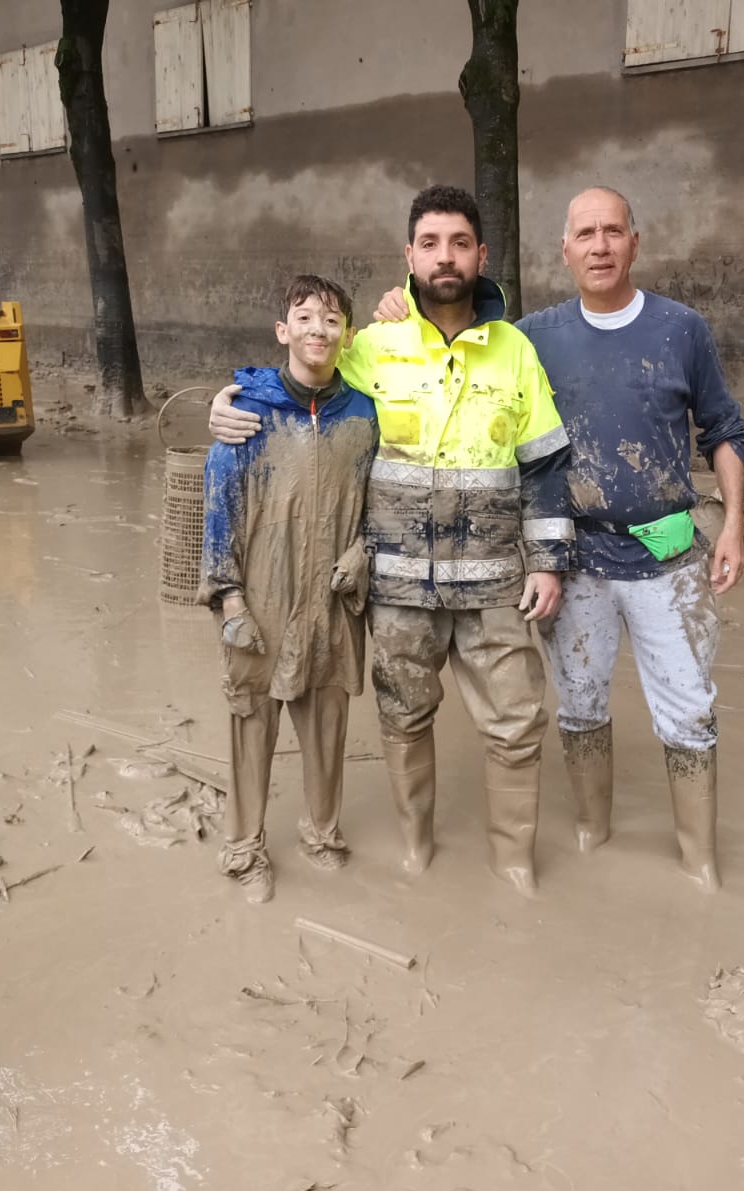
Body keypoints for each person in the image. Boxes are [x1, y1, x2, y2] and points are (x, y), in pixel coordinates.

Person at [374, 187, 744, 892]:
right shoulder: (532, 337)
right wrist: (395, 305)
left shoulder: (681, 330)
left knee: (690, 707)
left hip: (668, 551)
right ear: (565, 251)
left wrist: (733, 522)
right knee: (578, 703)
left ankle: (699, 858)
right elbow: (450, 352)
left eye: (613, 232)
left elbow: (724, 428)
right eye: (586, 234)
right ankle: (590, 834)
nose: (600, 246)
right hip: (574, 560)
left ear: (635, 243)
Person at [211, 185, 574, 897]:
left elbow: (548, 463)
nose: (446, 257)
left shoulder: (515, 351)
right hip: (398, 588)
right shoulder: (370, 347)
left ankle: (515, 861)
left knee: (518, 719)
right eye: (430, 243)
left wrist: (552, 561)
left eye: (460, 243)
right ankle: (416, 850)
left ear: (482, 255)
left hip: (497, 580)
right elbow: (300, 383)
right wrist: (226, 404)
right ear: (409, 256)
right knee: (403, 714)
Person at [198, 275, 378, 902]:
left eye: (331, 321)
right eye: (304, 318)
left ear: (346, 336)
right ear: (283, 331)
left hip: (332, 598)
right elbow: (217, 506)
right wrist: (228, 599)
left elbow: (378, 504)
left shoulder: (362, 414)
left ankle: (320, 834)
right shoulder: (247, 410)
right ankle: (245, 848)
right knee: (251, 724)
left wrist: (365, 554)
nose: (317, 330)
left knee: (328, 721)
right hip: (262, 595)